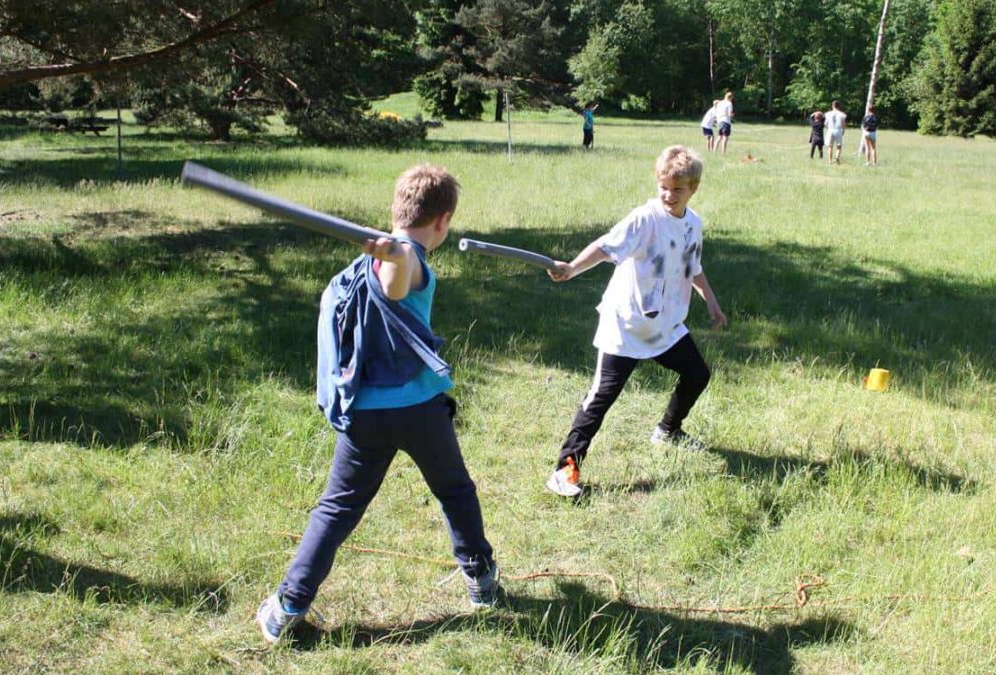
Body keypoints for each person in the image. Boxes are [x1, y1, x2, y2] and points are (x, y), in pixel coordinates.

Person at [256, 165, 499, 642]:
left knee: (336, 510)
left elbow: (392, 275)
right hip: (420, 411)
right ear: (443, 221)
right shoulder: (405, 257)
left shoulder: (387, 253)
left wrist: (392, 251)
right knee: (455, 491)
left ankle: (287, 608)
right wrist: (395, 253)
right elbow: (395, 282)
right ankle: (482, 581)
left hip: (365, 412)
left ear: (395, 209)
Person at [543, 146, 728, 498]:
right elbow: (606, 246)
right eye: (663, 187)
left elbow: (693, 267)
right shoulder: (645, 219)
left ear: (693, 188)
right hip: (626, 327)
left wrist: (711, 301)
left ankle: (668, 431)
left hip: (665, 328)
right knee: (601, 398)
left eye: (677, 189)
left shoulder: (693, 224)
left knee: (697, 375)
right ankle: (564, 470)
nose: (668, 195)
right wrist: (572, 268)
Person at [824, 100, 847, 164]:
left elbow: (825, 123)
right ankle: (837, 157)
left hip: (830, 130)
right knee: (839, 146)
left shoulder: (828, 114)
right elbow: (843, 124)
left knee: (830, 146)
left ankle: (830, 161)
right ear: (839, 106)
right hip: (838, 130)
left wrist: (827, 129)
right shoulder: (842, 114)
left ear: (832, 106)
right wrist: (843, 130)